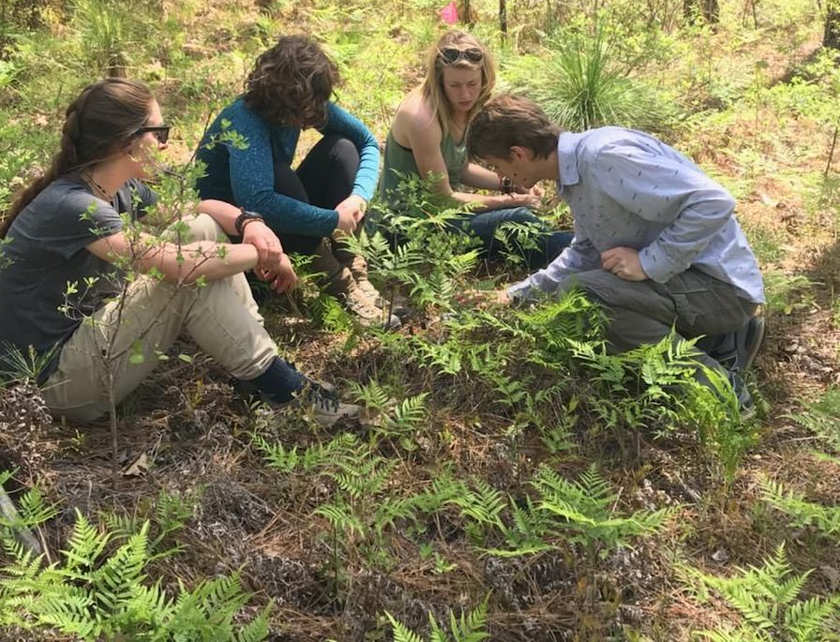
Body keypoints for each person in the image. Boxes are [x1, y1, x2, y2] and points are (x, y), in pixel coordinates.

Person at [0, 78, 360, 427]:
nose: (167, 143)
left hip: (86, 349)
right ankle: (282, 390)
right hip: (55, 386)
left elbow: (199, 208)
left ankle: (262, 378)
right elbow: (180, 266)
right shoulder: (73, 206)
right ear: (129, 143)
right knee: (185, 278)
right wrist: (266, 256)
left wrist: (251, 223)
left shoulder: (114, 187)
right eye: (160, 133)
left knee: (201, 229)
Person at [465, 94, 766, 413]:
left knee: (585, 296)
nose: (505, 178)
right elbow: (585, 252)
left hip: (722, 290)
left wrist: (649, 263)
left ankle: (720, 389)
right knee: (583, 286)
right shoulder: (579, 171)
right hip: (695, 285)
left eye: (499, 167)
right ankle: (720, 341)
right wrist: (516, 295)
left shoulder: (603, 157)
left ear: (518, 153)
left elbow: (713, 202)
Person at [194, 36, 392, 326]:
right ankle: (341, 287)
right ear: (285, 99)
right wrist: (330, 220)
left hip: (271, 226)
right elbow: (258, 202)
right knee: (279, 177)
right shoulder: (245, 120)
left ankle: (356, 272)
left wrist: (357, 197)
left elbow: (367, 142)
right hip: (238, 239)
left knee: (342, 148)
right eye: (306, 111)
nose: (311, 118)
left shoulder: (308, 105)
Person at [376, 31, 571, 266]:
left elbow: (461, 168)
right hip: (409, 227)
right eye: (455, 85)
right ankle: (580, 256)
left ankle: (581, 250)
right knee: (516, 220)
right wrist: (509, 201)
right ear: (439, 81)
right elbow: (442, 197)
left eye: (472, 84)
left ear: (484, 78)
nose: (465, 94)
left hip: (445, 216)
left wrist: (508, 183)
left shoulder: (469, 106)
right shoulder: (421, 118)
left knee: (520, 220)